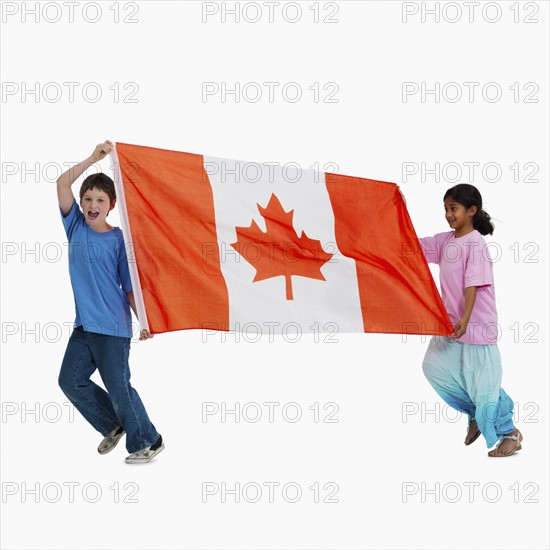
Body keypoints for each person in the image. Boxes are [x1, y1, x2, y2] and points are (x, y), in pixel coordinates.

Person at [56, 140, 164, 464]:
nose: (92, 203)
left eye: (99, 199)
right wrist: (92, 158)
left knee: (120, 389)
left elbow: (129, 287)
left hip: (113, 327)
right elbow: (62, 183)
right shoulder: (74, 225)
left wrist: (145, 321)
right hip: (84, 326)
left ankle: (149, 440)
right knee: (69, 381)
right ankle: (112, 424)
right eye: (87, 198)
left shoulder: (119, 239)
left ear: (110, 205)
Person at [403, 184, 522, 457]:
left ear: (471, 211)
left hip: (475, 325)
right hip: (451, 325)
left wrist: (466, 319)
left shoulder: (476, 243)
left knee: (484, 385)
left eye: (453, 208)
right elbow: (412, 245)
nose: (448, 214)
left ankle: (510, 433)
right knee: (433, 367)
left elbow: (473, 285)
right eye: (445, 208)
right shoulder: (446, 241)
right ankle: (476, 415)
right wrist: (401, 211)